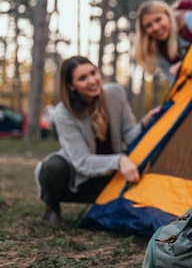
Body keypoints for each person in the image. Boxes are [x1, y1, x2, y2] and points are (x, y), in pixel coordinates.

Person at [34, 56, 160, 226]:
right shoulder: (63, 113)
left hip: (109, 175)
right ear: (72, 86)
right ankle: (52, 206)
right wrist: (120, 160)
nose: (92, 81)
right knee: (52, 167)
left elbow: (129, 134)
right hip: (78, 180)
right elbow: (82, 162)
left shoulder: (115, 93)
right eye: (82, 78)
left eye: (93, 73)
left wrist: (145, 123)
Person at [135, 0, 192, 82]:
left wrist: (185, 65)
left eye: (158, 20)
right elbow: (176, 84)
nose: (156, 28)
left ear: (168, 15)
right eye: (148, 25)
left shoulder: (190, 20)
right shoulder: (160, 51)